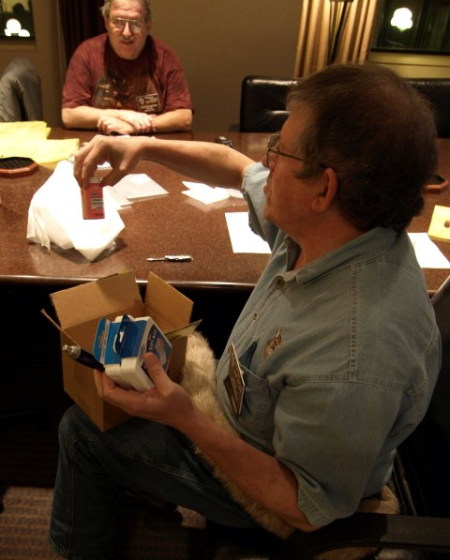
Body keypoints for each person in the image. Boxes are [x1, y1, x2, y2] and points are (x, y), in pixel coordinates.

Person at [49, 64, 441, 559]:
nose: (266, 161)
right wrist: (144, 147)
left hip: (266, 493)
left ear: (325, 189)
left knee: (82, 432)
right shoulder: (338, 229)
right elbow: (234, 166)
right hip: (246, 418)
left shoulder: (354, 354)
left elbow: (303, 506)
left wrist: (186, 419)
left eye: (280, 150)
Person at [61, 0, 193, 135]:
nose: (126, 33)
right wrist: (123, 115)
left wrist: (133, 128)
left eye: (135, 23)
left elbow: (184, 117)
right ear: (106, 23)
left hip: (149, 146)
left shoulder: (164, 56)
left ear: (148, 25)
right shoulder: (86, 53)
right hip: (100, 144)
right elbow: (69, 115)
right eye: (118, 22)